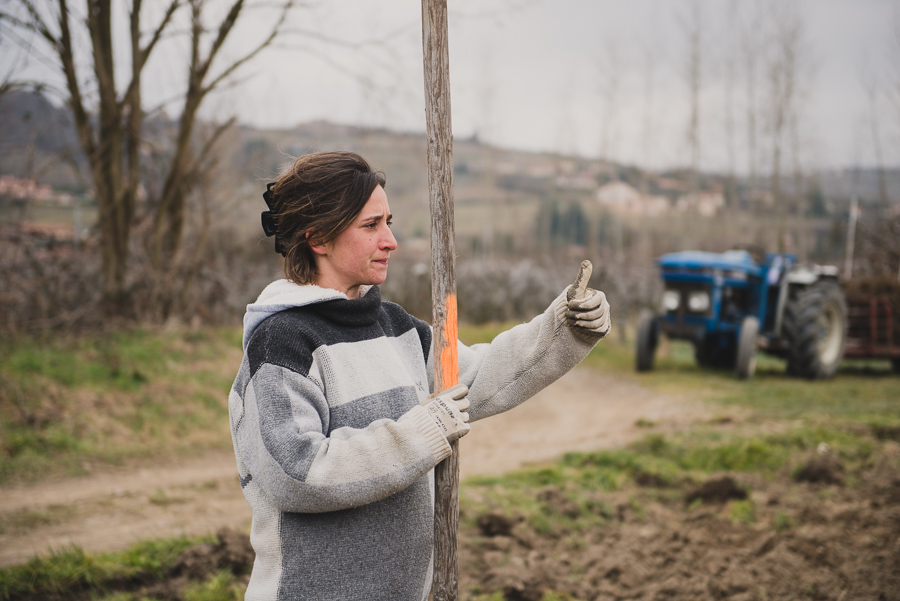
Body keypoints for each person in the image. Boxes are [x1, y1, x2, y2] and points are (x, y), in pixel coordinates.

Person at [229, 151, 611, 601]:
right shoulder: (282, 344)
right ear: (318, 238)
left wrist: (563, 325)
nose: (390, 240)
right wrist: (421, 433)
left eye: (388, 221)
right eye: (370, 226)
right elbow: (296, 473)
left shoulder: (396, 327)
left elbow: (480, 378)